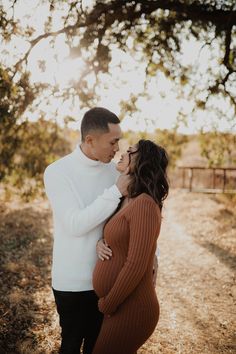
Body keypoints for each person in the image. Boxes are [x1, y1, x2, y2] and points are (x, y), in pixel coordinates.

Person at [43, 107, 130, 354]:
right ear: (90, 140)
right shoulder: (57, 172)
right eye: (113, 142)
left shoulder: (115, 173)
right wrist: (115, 192)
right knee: (70, 346)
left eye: (119, 141)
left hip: (106, 279)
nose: (117, 149)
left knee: (98, 347)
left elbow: (126, 220)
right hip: (71, 282)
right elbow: (74, 224)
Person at [92, 139, 169, 354]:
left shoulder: (144, 203)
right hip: (121, 305)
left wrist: (109, 303)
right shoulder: (126, 198)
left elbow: (135, 264)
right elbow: (118, 237)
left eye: (131, 152)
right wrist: (100, 242)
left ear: (142, 162)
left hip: (133, 308)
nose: (123, 152)